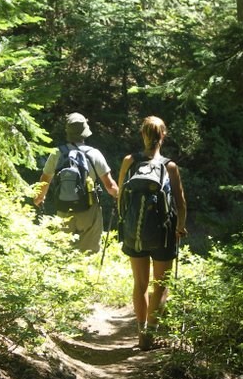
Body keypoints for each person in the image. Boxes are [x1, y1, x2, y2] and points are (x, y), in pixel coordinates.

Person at [118, 116, 187, 351]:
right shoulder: (170, 166)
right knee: (160, 285)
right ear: (163, 136)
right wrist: (180, 227)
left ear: (142, 134)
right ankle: (151, 334)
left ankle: (140, 330)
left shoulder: (129, 161)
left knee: (140, 283)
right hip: (163, 235)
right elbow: (181, 204)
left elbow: (120, 198)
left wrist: (125, 225)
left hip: (133, 232)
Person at [34, 112, 119, 253]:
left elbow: (45, 180)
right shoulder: (94, 153)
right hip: (89, 209)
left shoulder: (57, 153)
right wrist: (119, 195)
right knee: (89, 253)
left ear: (67, 131)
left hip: (64, 208)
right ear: (85, 132)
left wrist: (39, 198)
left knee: (63, 251)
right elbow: (110, 186)